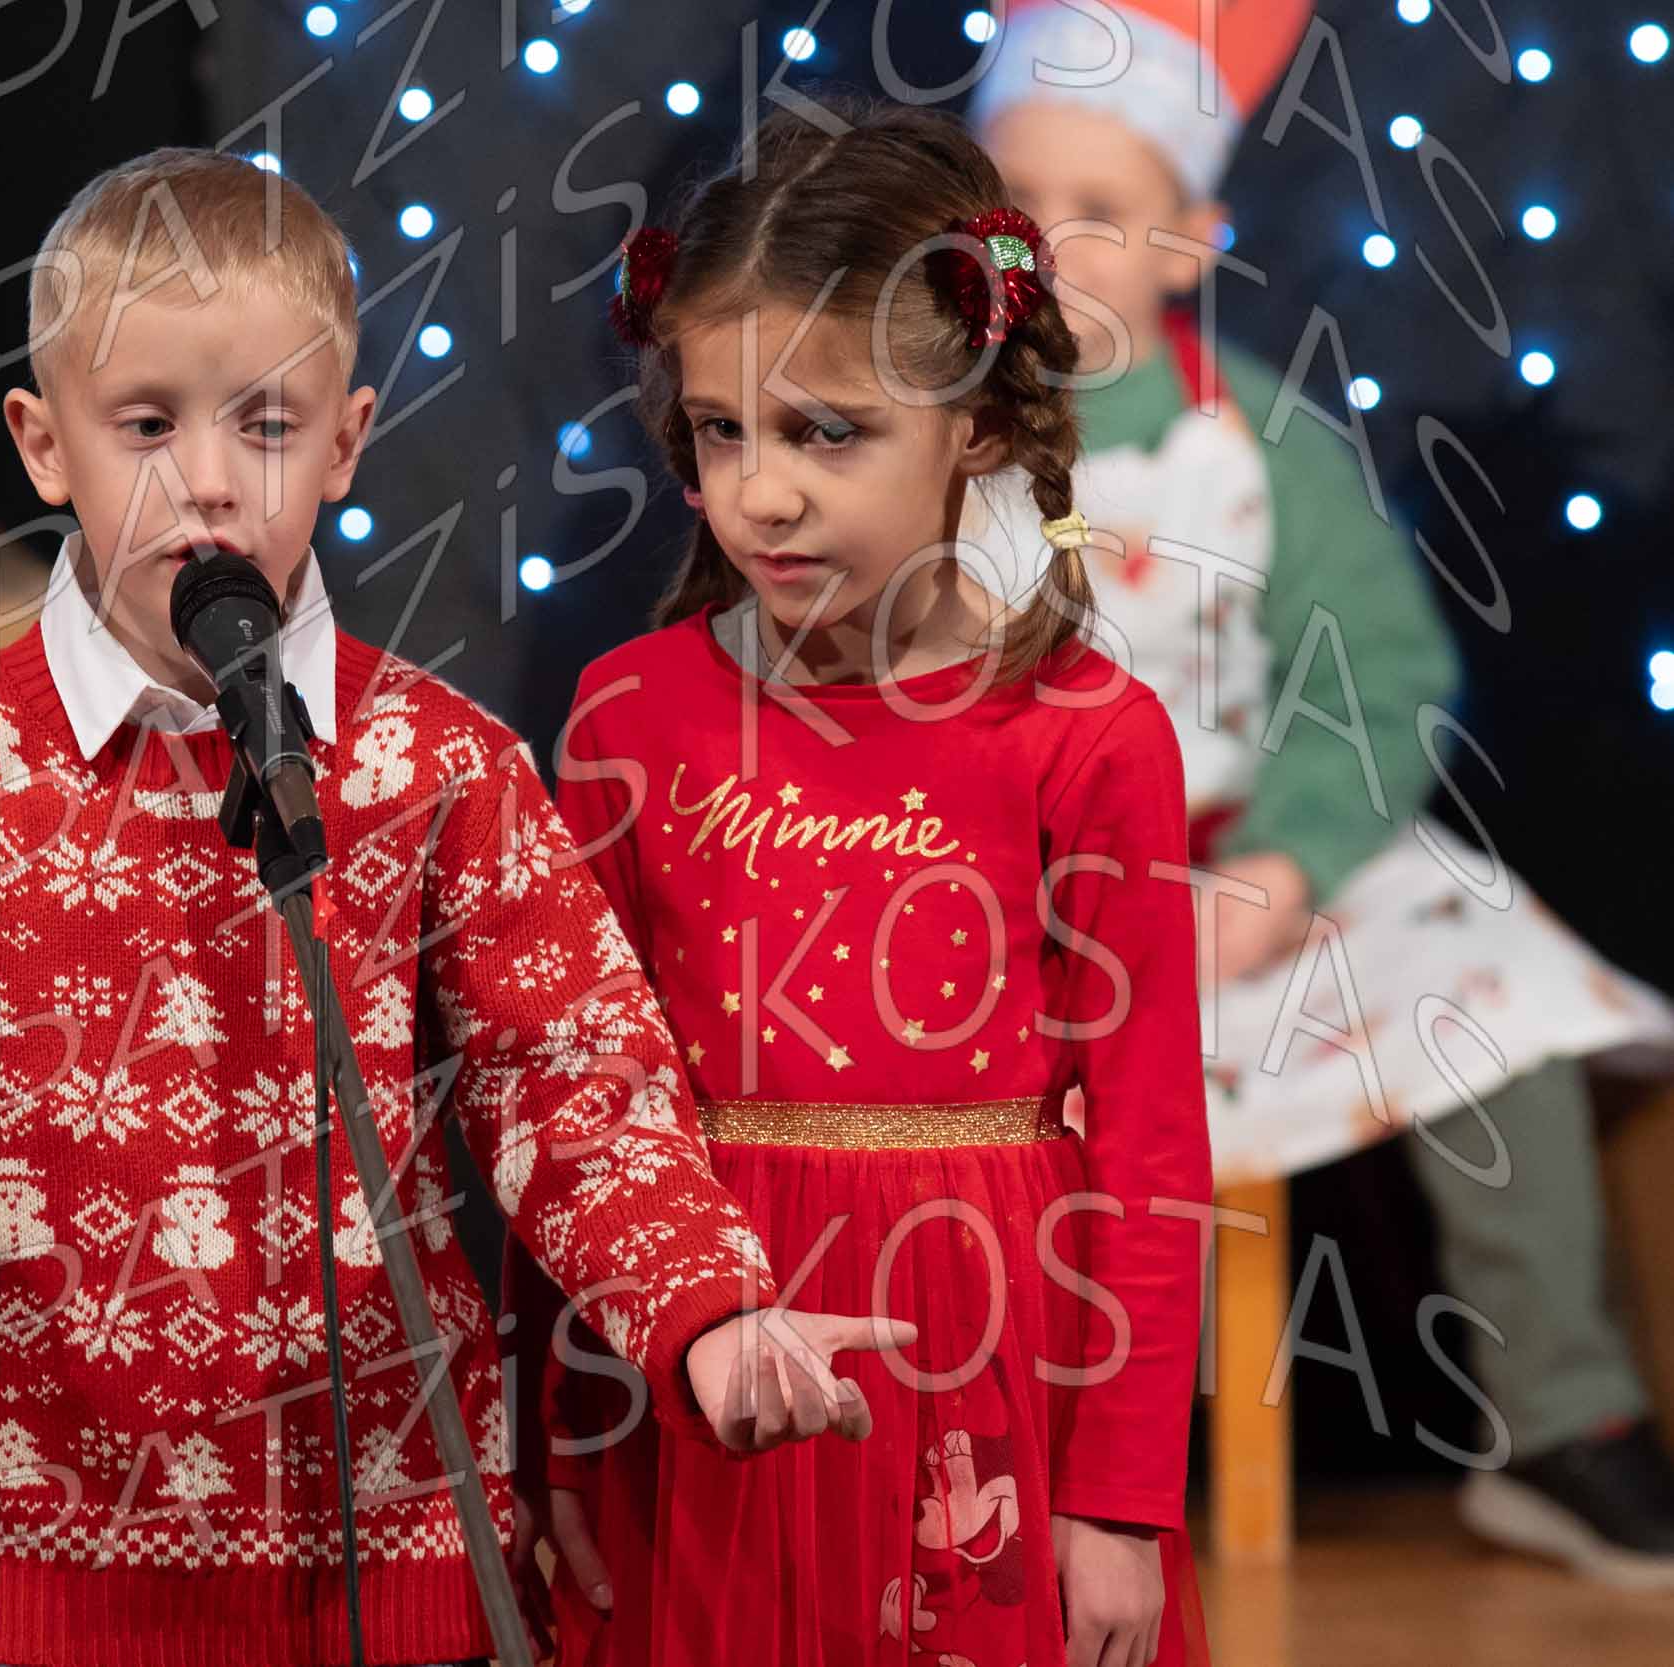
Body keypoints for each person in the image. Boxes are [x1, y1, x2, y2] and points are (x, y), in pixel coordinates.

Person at [0, 148, 911, 1667]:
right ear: (44, 445)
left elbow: (574, 1077)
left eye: (266, 425)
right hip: (49, 1568)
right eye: (146, 424)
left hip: (389, 1550)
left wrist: (705, 1307)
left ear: (345, 445)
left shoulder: (436, 764)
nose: (208, 478)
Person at [969, 0, 1674, 1583]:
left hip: (1240, 881)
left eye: (1099, 209)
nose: (1049, 243)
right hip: (1012, 899)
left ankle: (1563, 1417)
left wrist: (1288, 862)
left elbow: (1379, 670)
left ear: (1189, 242)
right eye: (1013, 200)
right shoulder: (923, 431)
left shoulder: (1259, 438)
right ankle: (958, 1443)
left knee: (1489, 970)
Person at [511, 96, 1214, 1667]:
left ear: (977, 424)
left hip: (992, 1371)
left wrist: (1121, 1500)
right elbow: (579, 1099)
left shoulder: (1089, 734)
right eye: (721, 430)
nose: (761, 492)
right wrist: (551, 1433)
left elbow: (1153, 1144)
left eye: (826, 432)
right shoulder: (631, 718)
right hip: (698, 1378)